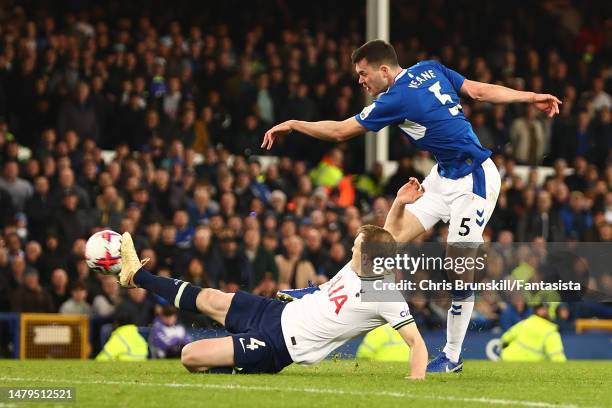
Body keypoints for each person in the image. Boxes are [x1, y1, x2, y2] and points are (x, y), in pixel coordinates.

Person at [262, 39, 561, 373]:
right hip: (443, 176)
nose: (361, 81)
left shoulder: (396, 97)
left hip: (474, 180)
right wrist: (531, 97)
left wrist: (293, 124)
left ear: (384, 70)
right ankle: (321, 292)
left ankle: (451, 356)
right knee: (380, 244)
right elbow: (477, 91)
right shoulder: (429, 68)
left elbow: (340, 132)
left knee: (458, 265)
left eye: (364, 74)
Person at [115, 180, 427, 378]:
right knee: (210, 297)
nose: (351, 247)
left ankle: (242, 365)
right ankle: (138, 275)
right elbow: (387, 236)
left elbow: (416, 343)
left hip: (276, 345)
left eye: (356, 247)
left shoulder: (384, 293)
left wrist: (416, 379)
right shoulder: (362, 261)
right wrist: (399, 203)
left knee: (190, 356)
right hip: (274, 312)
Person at [500, 304, 567, 362]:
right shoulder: (550, 332)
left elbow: (505, 338)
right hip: (529, 367)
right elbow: (557, 357)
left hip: (507, 359)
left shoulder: (525, 322)